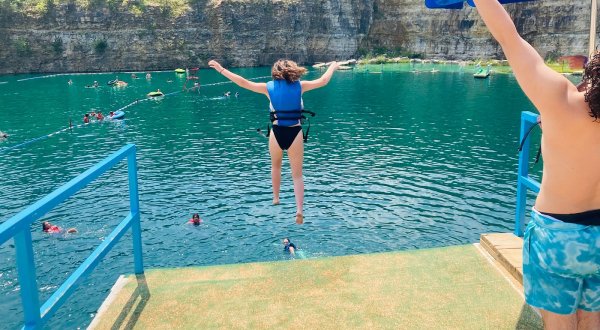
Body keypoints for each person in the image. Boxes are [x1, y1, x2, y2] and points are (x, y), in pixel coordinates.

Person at [473, 1, 600, 328]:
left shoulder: (560, 100)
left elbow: (508, 37)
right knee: (593, 319)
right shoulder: (561, 107)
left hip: (558, 234)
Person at [208, 59, 339, 224]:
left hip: (277, 133)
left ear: (275, 73)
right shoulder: (300, 86)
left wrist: (221, 69)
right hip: (295, 133)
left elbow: (243, 82)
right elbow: (323, 81)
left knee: (276, 166)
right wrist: (333, 66)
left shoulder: (268, 87)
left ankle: (276, 197)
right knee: (297, 175)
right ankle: (299, 210)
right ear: (293, 71)